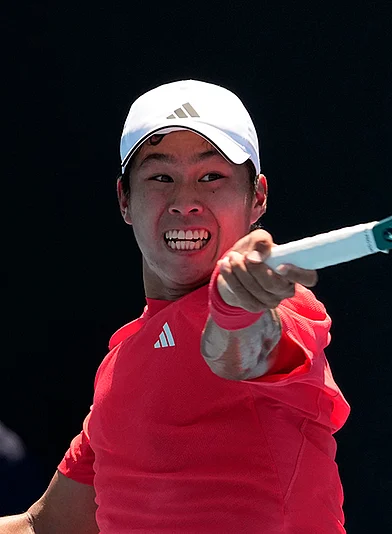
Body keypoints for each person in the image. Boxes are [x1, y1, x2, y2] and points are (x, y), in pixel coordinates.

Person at [0, 80, 350, 533]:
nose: (186, 203)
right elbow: (44, 528)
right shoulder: (119, 366)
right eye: (161, 177)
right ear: (125, 199)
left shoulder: (283, 309)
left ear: (257, 197)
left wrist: (236, 309)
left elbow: (244, 353)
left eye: (212, 177)